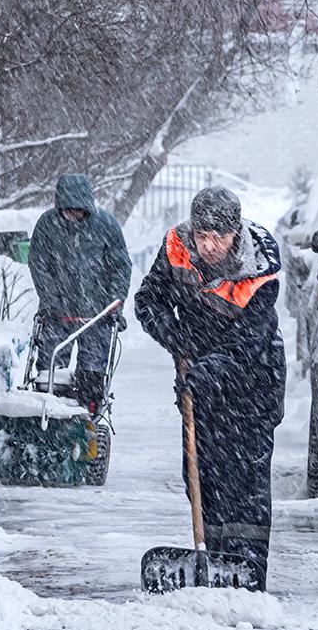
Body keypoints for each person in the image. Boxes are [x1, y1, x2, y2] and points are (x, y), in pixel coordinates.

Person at [134, 186, 286, 591]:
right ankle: (213, 558)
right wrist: (175, 335)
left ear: (235, 233)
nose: (210, 245)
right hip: (199, 381)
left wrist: (207, 370)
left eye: (219, 237)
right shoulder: (178, 249)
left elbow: (248, 344)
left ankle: (247, 569)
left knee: (245, 482)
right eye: (203, 236)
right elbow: (149, 299)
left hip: (253, 385)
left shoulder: (258, 270)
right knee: (203, 471)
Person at [28, 174, 131, 413]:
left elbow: (120, 266)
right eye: (69, 211)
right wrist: (52, 300)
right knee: (49, 373)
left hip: (97, 315)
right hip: (57, 314)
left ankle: (89, 416)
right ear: (60, 207)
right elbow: (39, 263)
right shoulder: (47, 225)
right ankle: (49, 414)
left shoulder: (105, 225)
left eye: (79, 211)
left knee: (92, 374)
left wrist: (114, 303)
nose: (74, 216)